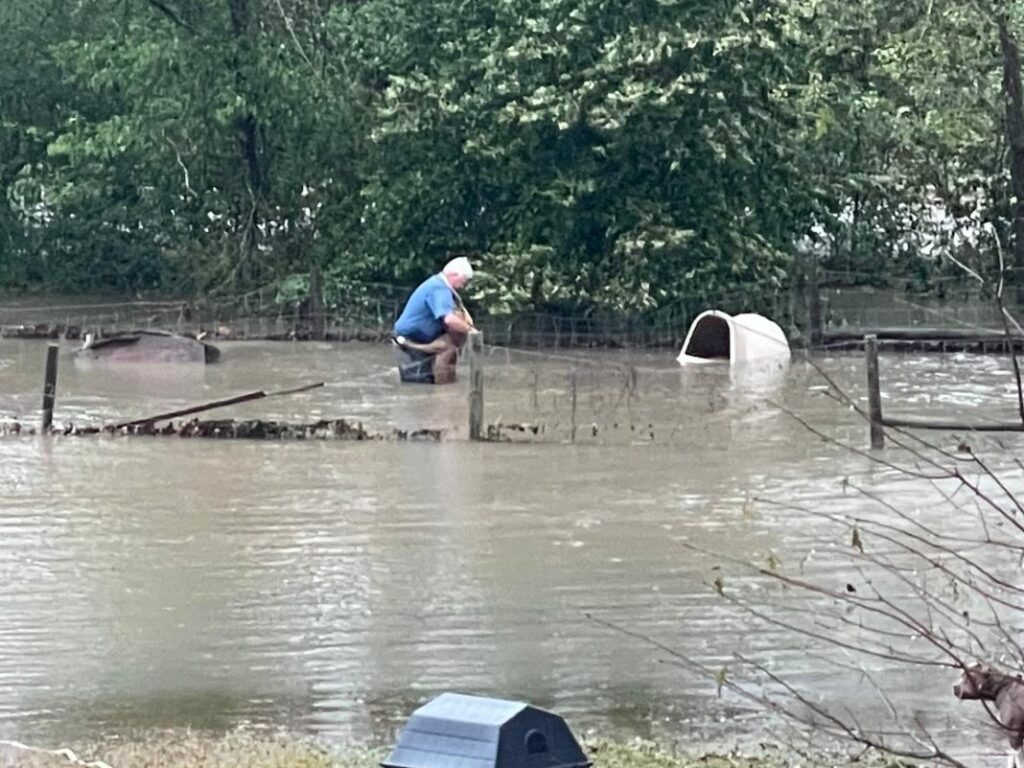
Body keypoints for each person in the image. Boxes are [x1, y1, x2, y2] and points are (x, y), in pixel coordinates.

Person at [393, 256, 476, 384]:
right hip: (410, 342)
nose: (463, 285)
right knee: (419, 388)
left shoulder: (439, 285)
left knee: (426, 385)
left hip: (418, 339)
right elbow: (449, 319)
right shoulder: (439, 288)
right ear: (453, 275)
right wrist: (470, 331)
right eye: (463, 280)